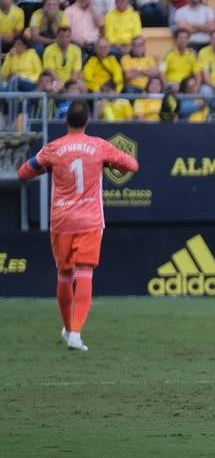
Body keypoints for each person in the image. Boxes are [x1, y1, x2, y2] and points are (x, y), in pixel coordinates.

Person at [18, 101, 140, 352]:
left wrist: (46, 168)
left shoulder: (53, 148)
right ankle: (75, 332)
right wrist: (108, 163)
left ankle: (68, 328)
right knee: (85, 274)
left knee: (64, 275)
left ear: (66, 121)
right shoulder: (99, 146)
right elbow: (132, 165)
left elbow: (23, 172)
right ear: (87, 121)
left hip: (61, 220)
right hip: (90, 220)